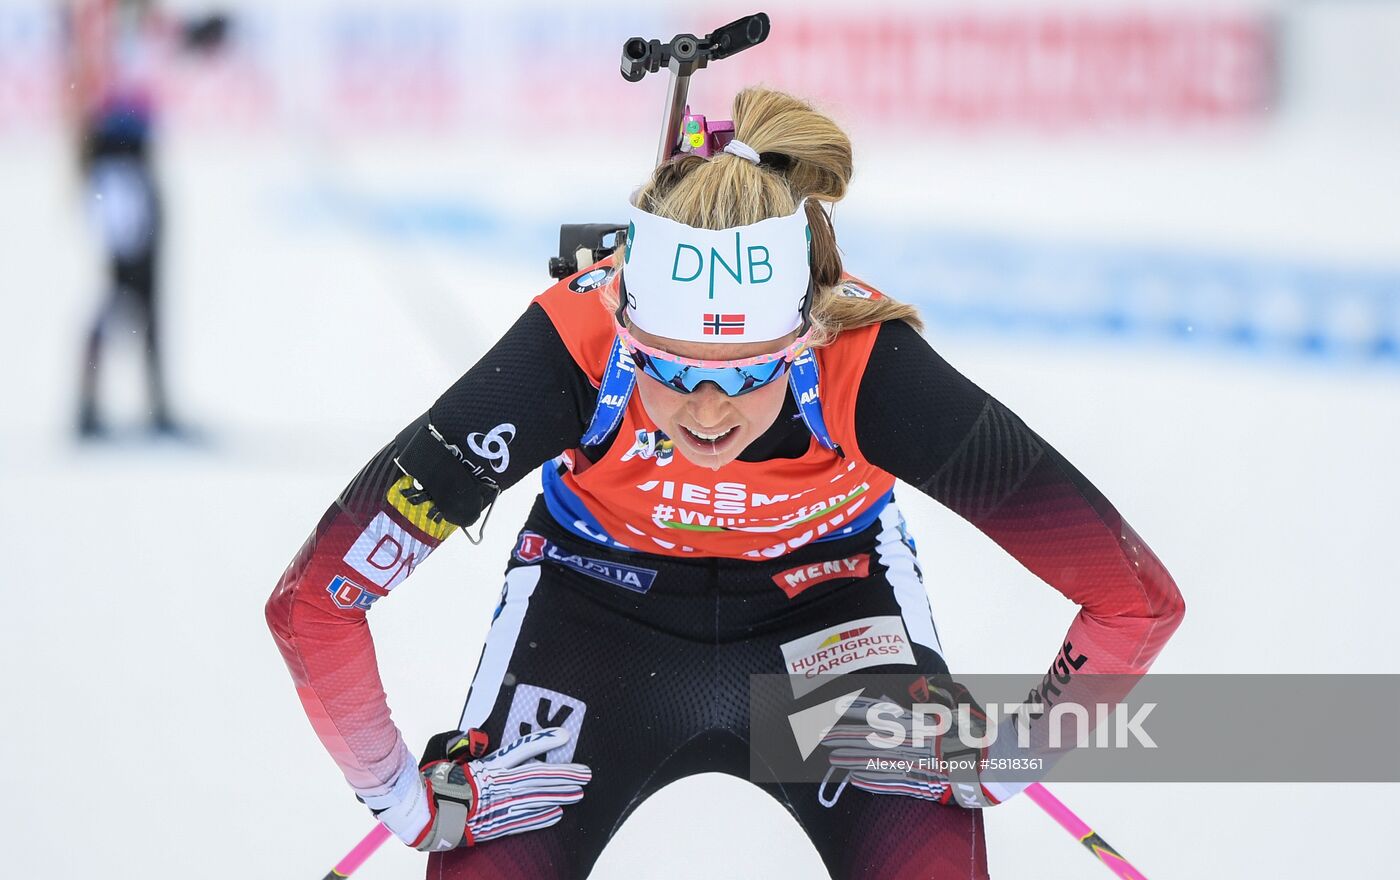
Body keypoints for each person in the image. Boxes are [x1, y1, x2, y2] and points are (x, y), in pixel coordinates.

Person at [266, 88, 1185, 879]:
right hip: (594, 613)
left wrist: (1020, 753)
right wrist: (397, 794)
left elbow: (1132, 600)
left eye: (750, 373)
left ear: (805, 334)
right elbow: (317, 602)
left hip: (829, 618)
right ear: (624, 330)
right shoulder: (567, 351)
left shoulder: (865, 362)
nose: (708, 414)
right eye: (671, 369)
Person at [66, 0, 226, 437]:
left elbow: (164, 40)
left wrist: (200, 36)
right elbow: (95, 83)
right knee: (122, 285)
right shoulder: (106, 17)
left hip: (133, 160)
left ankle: (154, 402)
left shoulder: (134, 16)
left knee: (148, 286)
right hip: (115, 160)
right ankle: (88, 400)